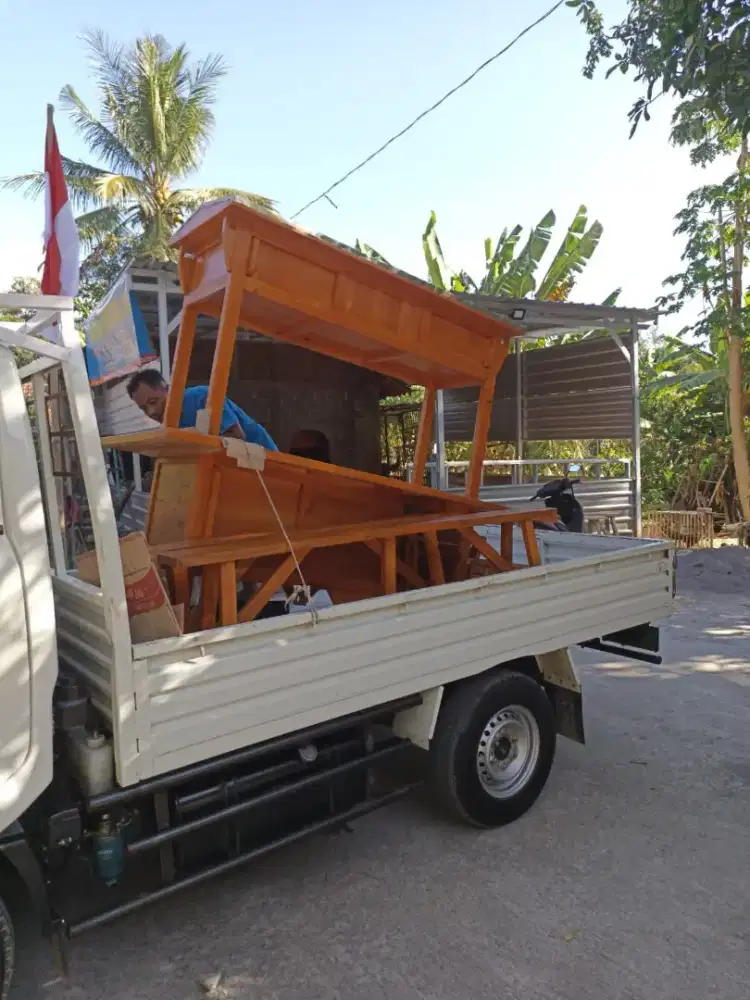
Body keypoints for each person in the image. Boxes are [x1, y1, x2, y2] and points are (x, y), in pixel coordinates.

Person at [127, 369, 277, 450]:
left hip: (265, 460)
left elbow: (236, 436)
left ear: (168, 390)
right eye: (143, 408)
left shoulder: (201, 397)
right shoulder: (170, 425)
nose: (152, 411)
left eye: (153, 401)